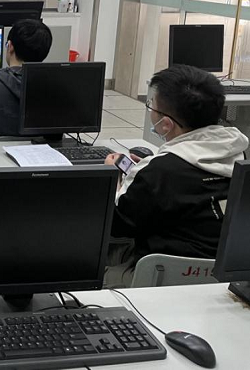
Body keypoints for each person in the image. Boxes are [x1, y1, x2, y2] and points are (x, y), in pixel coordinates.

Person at [103, 65, 248, 288]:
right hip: (222, 278)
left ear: (166, 124)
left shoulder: (158, 172)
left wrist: (115, 180)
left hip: (163, 277)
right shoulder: (238, 154)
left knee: (91, 269)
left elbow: (117, 226)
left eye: (152, 106)